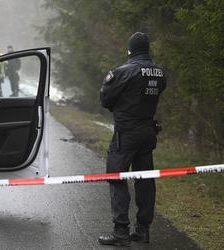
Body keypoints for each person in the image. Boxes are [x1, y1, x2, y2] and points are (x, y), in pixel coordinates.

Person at [98, 32, 167, 246]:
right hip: (148, 132)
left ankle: (121, 232)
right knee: (145, 180)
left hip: (126, 133)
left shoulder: (123, 72)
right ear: (147, 49)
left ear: (130, 50)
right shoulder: (159, 73)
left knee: (116, 177)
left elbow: (105, 98)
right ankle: (143, 230)